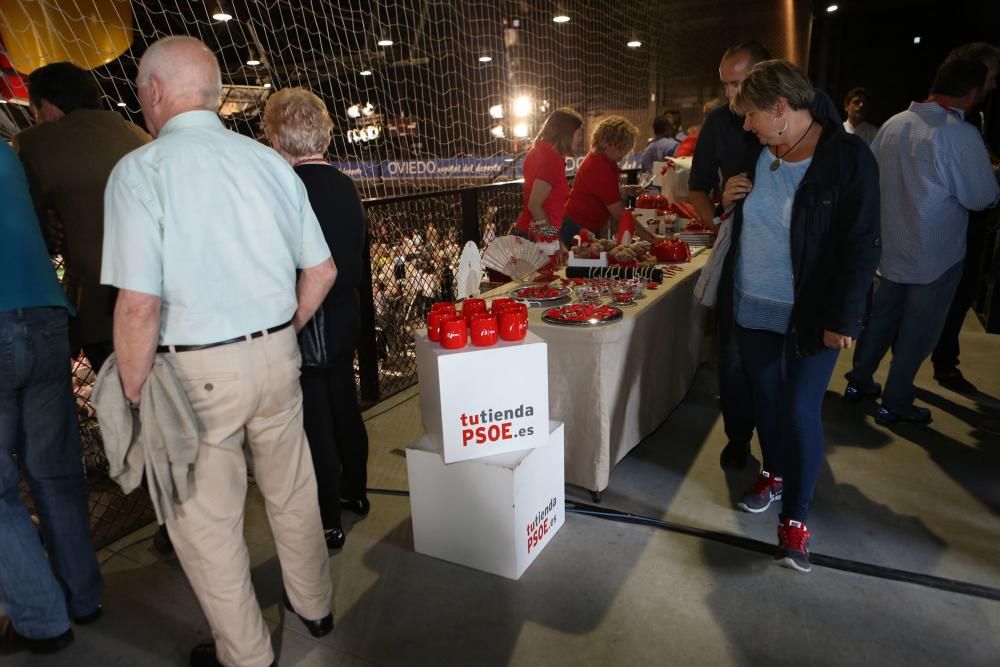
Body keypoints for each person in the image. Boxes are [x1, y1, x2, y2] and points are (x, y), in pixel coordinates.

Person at [101, 36, 336, 667]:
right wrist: (283, 326)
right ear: (212, 92)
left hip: (194, 371)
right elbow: (321, 271)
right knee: (291, 486)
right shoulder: (269, 164)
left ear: (152, 92)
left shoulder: (140, 172)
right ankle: (314, 607)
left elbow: (138, 305)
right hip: (277, 358)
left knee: (208, 523)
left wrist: (130, 386)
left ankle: (248, 655)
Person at [718, 59, 880, 573]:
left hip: (812, 311)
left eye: (751, 115)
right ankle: (776, 471)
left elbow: (862, 244)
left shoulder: (847, 158)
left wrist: (846, 318)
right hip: (753, 302)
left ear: (781, 109)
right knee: (766, 400)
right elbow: (749, 220)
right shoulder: (758, 151)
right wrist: (729, 200)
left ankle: (795, 519)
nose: (745, 124)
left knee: (799, 409)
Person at [688, 39, 841, 472]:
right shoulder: (720, 122)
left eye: (740, 85)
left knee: (794, 375)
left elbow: (846, 197)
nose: (732, 96)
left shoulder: (815, 112)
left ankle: (789, 460)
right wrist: (720, 212)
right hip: (745, 263)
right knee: (737, 364)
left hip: (802, 268)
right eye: (726, 86)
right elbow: (699, 186)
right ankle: (741, 440)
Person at [845, 57, 1000, 425]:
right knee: (917, 332)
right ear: (972, 92)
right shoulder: (959, 135)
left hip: (889, 246)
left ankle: (858, 381)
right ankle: (896, 401)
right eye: (990, 82)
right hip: (935, 254)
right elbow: (981, 197)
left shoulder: (894, 124)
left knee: (879, 321)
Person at [0, 141, 102, 654]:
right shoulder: (5, 151)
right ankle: (83, 597)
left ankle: (41, 619)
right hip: (44, 315)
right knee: (56, 473)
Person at [263, 87, 371, 551]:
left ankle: (327, 519)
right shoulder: (344, 183)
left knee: (314, 422)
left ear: (278, 138)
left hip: (311, 318)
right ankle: (356, 492)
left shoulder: (288, 188)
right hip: (346, 315)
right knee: (344, 406)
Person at [14, 62, 150, 374]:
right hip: (162, 300)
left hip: (98, 306)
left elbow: (34, 230)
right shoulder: (138, 136)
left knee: (120, 405)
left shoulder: (35, 144)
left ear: (46, 106)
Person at [931, 42, 1000, 394]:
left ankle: (939, 358)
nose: (994, 84)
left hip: (958, 222)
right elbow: (981, 194)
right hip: (953, 222)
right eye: (990, 76)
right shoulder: (958, 123)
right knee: (948, 294)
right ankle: (939, 362)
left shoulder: (969, 118)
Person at [560, 115, 663, 248]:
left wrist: (623, 190)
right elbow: (620, 214)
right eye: (622, 148)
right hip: (576, 228)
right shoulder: (600, 167)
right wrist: (651, 238)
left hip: (580, 225)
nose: (625, 153)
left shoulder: (604, 160)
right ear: (606, 143)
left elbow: (601, 192)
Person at [513, 107, 583, 236]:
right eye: (578, 134)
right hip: (536, 239)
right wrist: (550, 236)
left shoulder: (540, 151)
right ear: (566, 134)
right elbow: (534, 205)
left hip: (530, 233)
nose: (580, 139)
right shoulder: (552, 159)